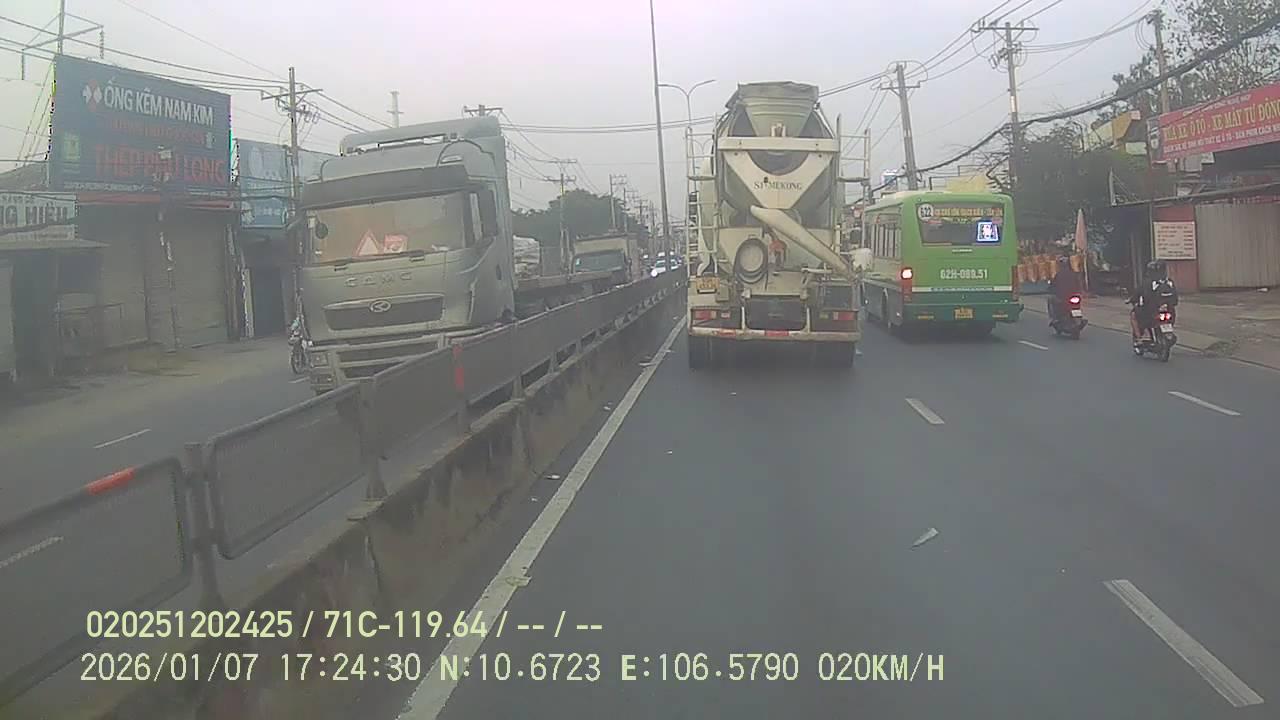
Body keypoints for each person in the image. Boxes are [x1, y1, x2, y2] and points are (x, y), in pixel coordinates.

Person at [1128, 260, 1178, 344]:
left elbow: (1138, 294)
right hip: (1170, 313)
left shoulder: (1147, 283)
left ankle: (1140, 338)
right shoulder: (1169, 282)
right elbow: (1175, 299)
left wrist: (1132, 299)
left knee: (1134, 315)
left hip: (1151, 313)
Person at [1046, 255, 1083, 322]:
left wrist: (1050, 289)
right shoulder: (1074, 274)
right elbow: (1079, 285)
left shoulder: (1058, 274)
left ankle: (1054, 318)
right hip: (1074, 296)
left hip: (1062, 296)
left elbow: (1053, 285)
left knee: (1050, 299)